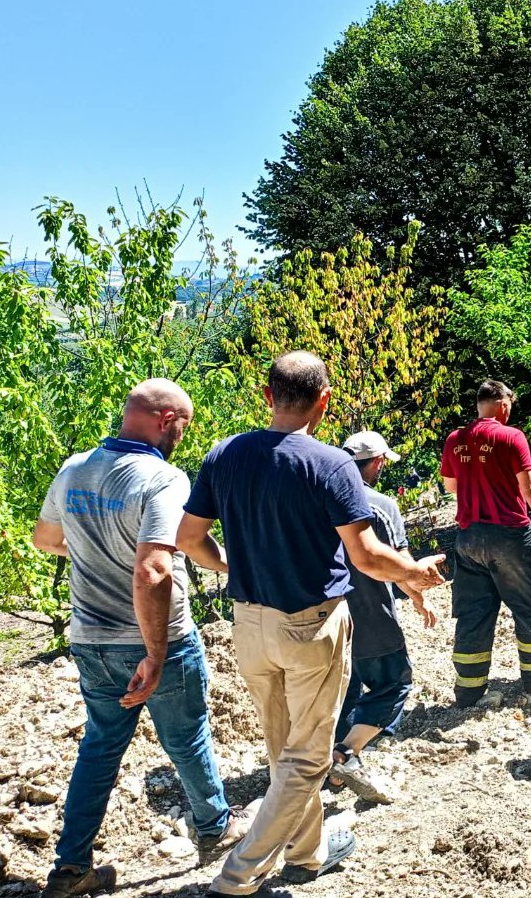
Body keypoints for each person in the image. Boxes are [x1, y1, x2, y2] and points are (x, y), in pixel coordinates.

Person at [177, 352, 445, 895]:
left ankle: (307, 852)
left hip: (248, 623)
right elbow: (367, 556)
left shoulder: (223, 454)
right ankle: (238, 875)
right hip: (310, 626)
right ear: (325, 401)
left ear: (266, 395)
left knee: (284, 747)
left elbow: (187, 538)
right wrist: (414, 572)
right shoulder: (331, 464)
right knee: (309, 756)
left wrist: (231, 563)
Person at [31, 380, 250, 898]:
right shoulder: (163, 478)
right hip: (158, 640)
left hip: (91, 638)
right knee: (187, 736)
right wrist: (155, 653)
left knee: (100, 747)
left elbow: (45, 540)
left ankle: (70, 868)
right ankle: (215, 828)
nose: (183, 437)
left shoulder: (75, 468)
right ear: (167, 419)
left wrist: (94, 553)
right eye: (184, 426)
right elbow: (154, 569)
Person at [440, 380, 531, 707]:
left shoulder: (455, 440)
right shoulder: (511, 437)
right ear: (503, 405)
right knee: (529, 604)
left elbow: (451, 486)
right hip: (509, 534)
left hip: (468, 538)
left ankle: (468, 689)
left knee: (473, 613)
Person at [328, 431, 438, 805]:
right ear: (376, 463)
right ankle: (344, 755)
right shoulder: (379, 505)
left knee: (343, 688)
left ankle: (327, 761)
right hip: (372, 615)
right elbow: (400, 565)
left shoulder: (318, 499)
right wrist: (419, 597)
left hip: (326, 616)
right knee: (394, 683)